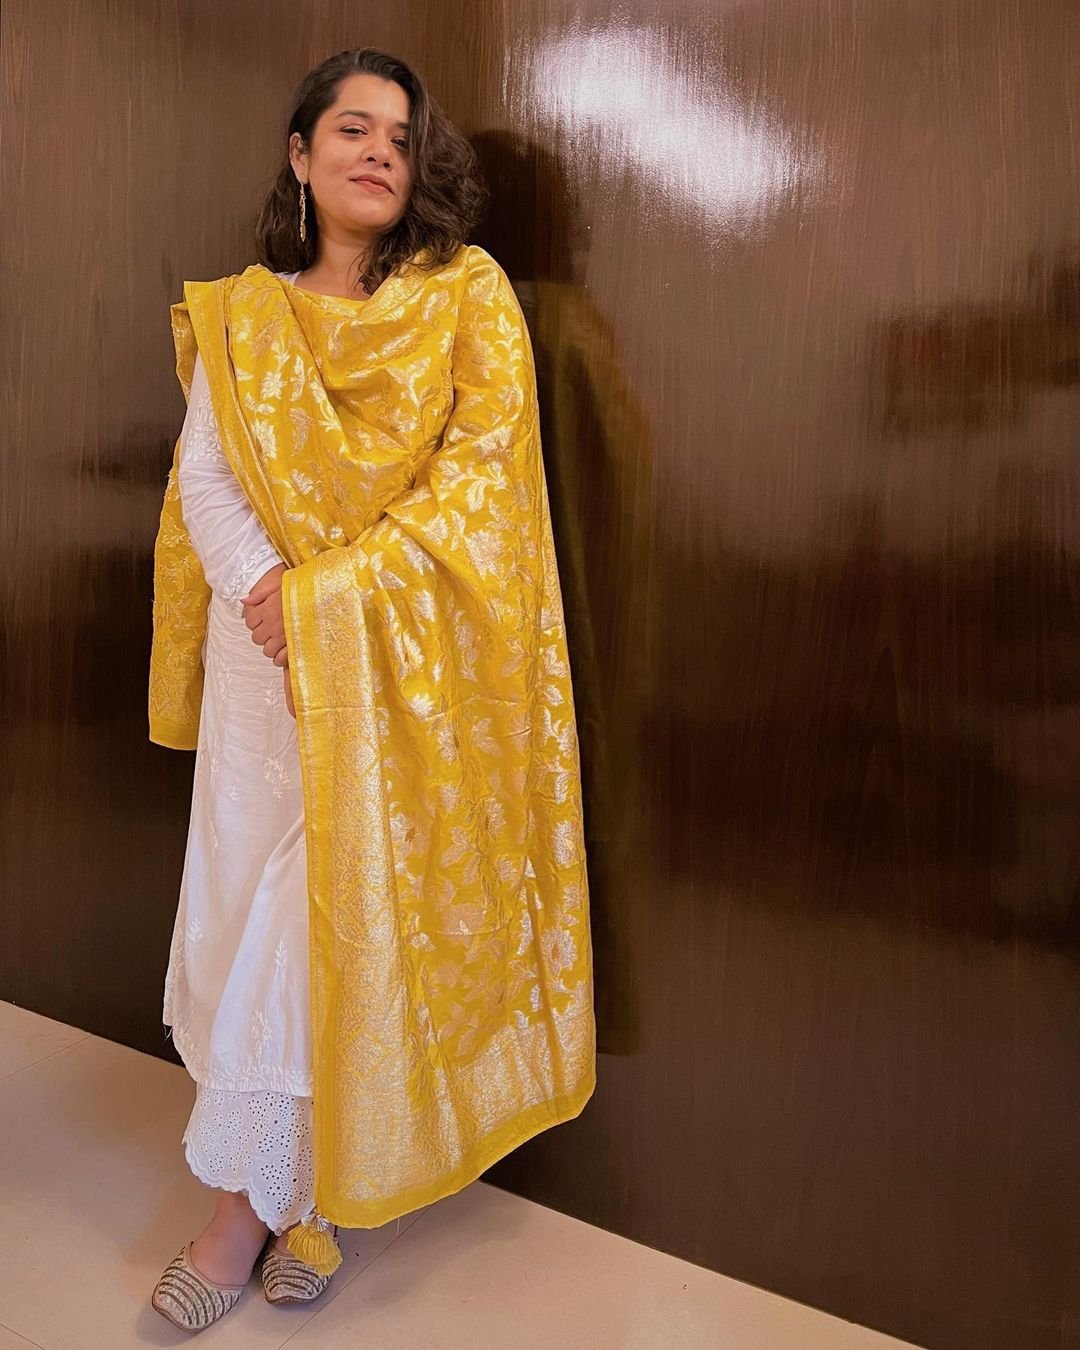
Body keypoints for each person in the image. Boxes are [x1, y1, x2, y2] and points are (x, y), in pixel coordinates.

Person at [147, 47, 596, 1333]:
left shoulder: (465, 296)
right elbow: (206, 475)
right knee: (256, 920)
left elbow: (481, 490)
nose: (379, 152)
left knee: (326, 930)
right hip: (263, 666)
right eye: (352, 128)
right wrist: (271, 601)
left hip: (401, 679)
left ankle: (236, 1219)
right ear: (300, 156)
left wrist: (331, 605)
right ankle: (315, 1196)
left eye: (400, 137)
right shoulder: (245, 317)